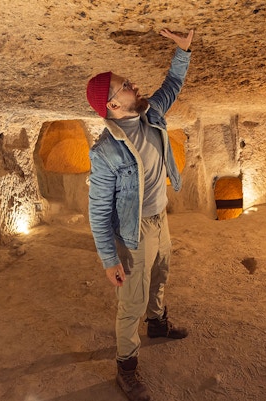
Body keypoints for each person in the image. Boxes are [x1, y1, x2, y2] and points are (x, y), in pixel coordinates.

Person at [85, 28, 194, 401]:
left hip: (159, 216)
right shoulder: (104, 152)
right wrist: (108, 258)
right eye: (125, 85)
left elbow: (173, 83)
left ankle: (158, 324)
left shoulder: (151, 113)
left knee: (161, 271)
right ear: (113, 105)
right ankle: (126, 368)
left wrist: (183, 50)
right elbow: (98, 209)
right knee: (132, 300)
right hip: (132, 231)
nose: (133, 84)